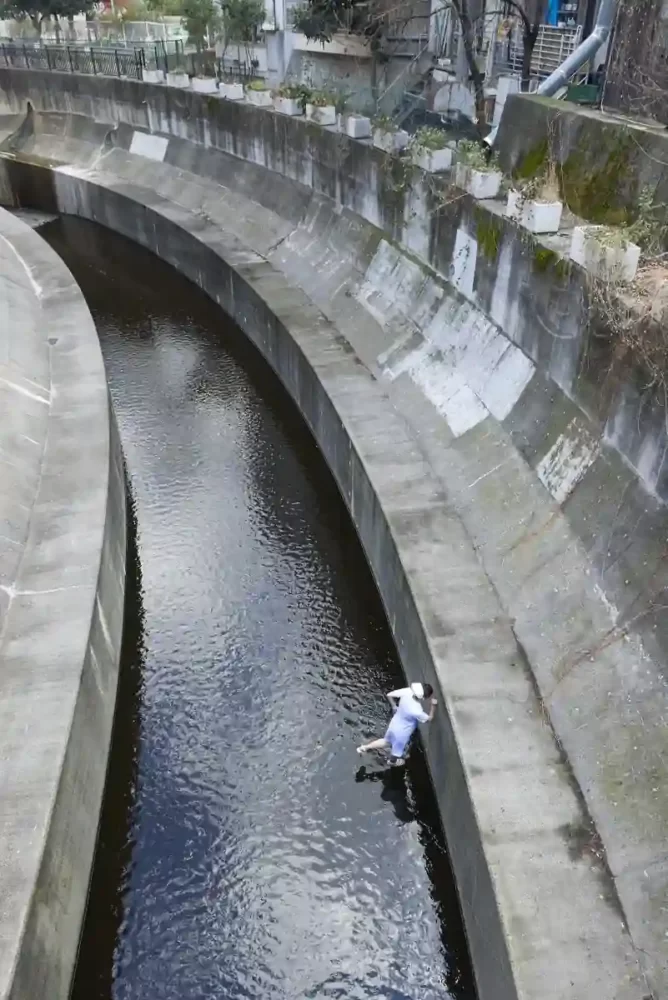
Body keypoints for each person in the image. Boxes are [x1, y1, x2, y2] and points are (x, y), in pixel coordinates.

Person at [357, 682, 437, 766]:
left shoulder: (407, 692)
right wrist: (433, 706)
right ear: (423, 697)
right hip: (402, 733)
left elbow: (389, 695)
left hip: (394, 724)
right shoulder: (417, 710)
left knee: (386, 741)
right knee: (397, 751)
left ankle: (364, 747)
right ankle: (392, 762)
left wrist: (394, 706)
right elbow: (429, 718)